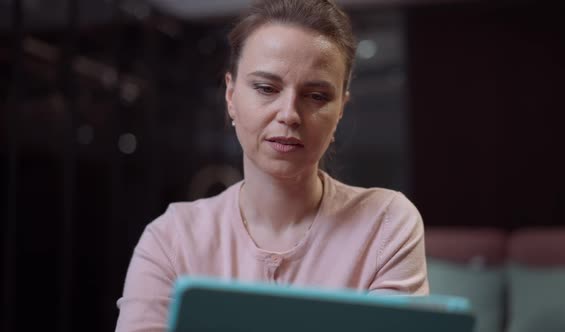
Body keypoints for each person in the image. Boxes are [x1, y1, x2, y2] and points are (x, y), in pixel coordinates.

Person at [115, 0, 428, 331]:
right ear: (231, 95)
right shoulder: (171, 239)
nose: (289, 114)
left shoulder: (385, 225)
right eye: (266, 88)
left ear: (341, 110)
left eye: (317, 96)